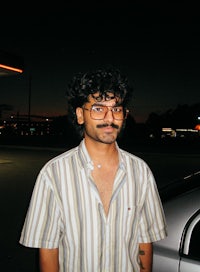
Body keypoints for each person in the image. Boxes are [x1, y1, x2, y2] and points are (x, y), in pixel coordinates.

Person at [19, 66, 167, 272]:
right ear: (80, 115)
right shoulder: (53, 174)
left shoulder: (140, 172)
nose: (109, 118)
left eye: (116, 109)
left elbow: (145, 243)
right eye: (98, 108)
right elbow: (48, 250)